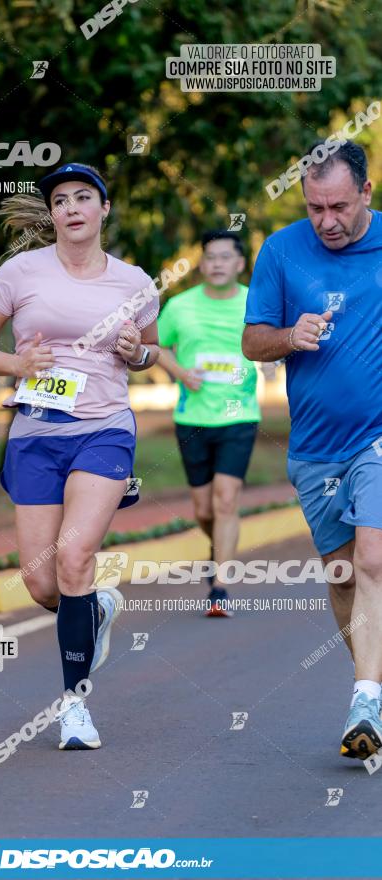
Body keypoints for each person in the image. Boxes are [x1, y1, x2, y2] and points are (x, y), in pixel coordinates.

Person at [0, 162, 160, 750]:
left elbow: (150, 352)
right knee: (43, 584)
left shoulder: (135, 283)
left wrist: (137, 352)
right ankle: (93, 610)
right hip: (36, 432)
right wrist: (17, 364)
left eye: (83, 197)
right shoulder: (21, 272)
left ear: (103, 209)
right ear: (52, 215)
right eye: (60, 200)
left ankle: (75, 706)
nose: (71, 207)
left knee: (74, 555)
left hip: (103, 428)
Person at [242, 141, 382, 760]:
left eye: (339, 207)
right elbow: (251, 341)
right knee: (345, 575)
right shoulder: (280, 251)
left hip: (377, 439)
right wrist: (288, 338)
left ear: (367, 195)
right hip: (315, 449)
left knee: (374, 559)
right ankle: (374, 686)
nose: (327, 220)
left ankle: (364, 701)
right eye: (315, 206)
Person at [157, 230, 266, 617]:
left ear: (239, 264)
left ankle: (220, 587)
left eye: (225, 257)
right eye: (210, 257)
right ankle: (217, 548)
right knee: (204, 509)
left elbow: (272, 343)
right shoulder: (180, 306)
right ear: (201, 264)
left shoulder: (256, 302)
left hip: (239, 415)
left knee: (225, 499)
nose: (217, 263)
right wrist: (181, 372)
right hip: (192, 417)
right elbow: (155, 346)